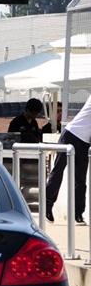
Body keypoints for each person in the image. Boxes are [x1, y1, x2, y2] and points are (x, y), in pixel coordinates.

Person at [46, 95, 91, 224]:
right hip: (71, 134)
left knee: (80, 179)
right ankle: (47, 205)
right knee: (58, 171)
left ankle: (77, 213)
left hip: (84, 142)